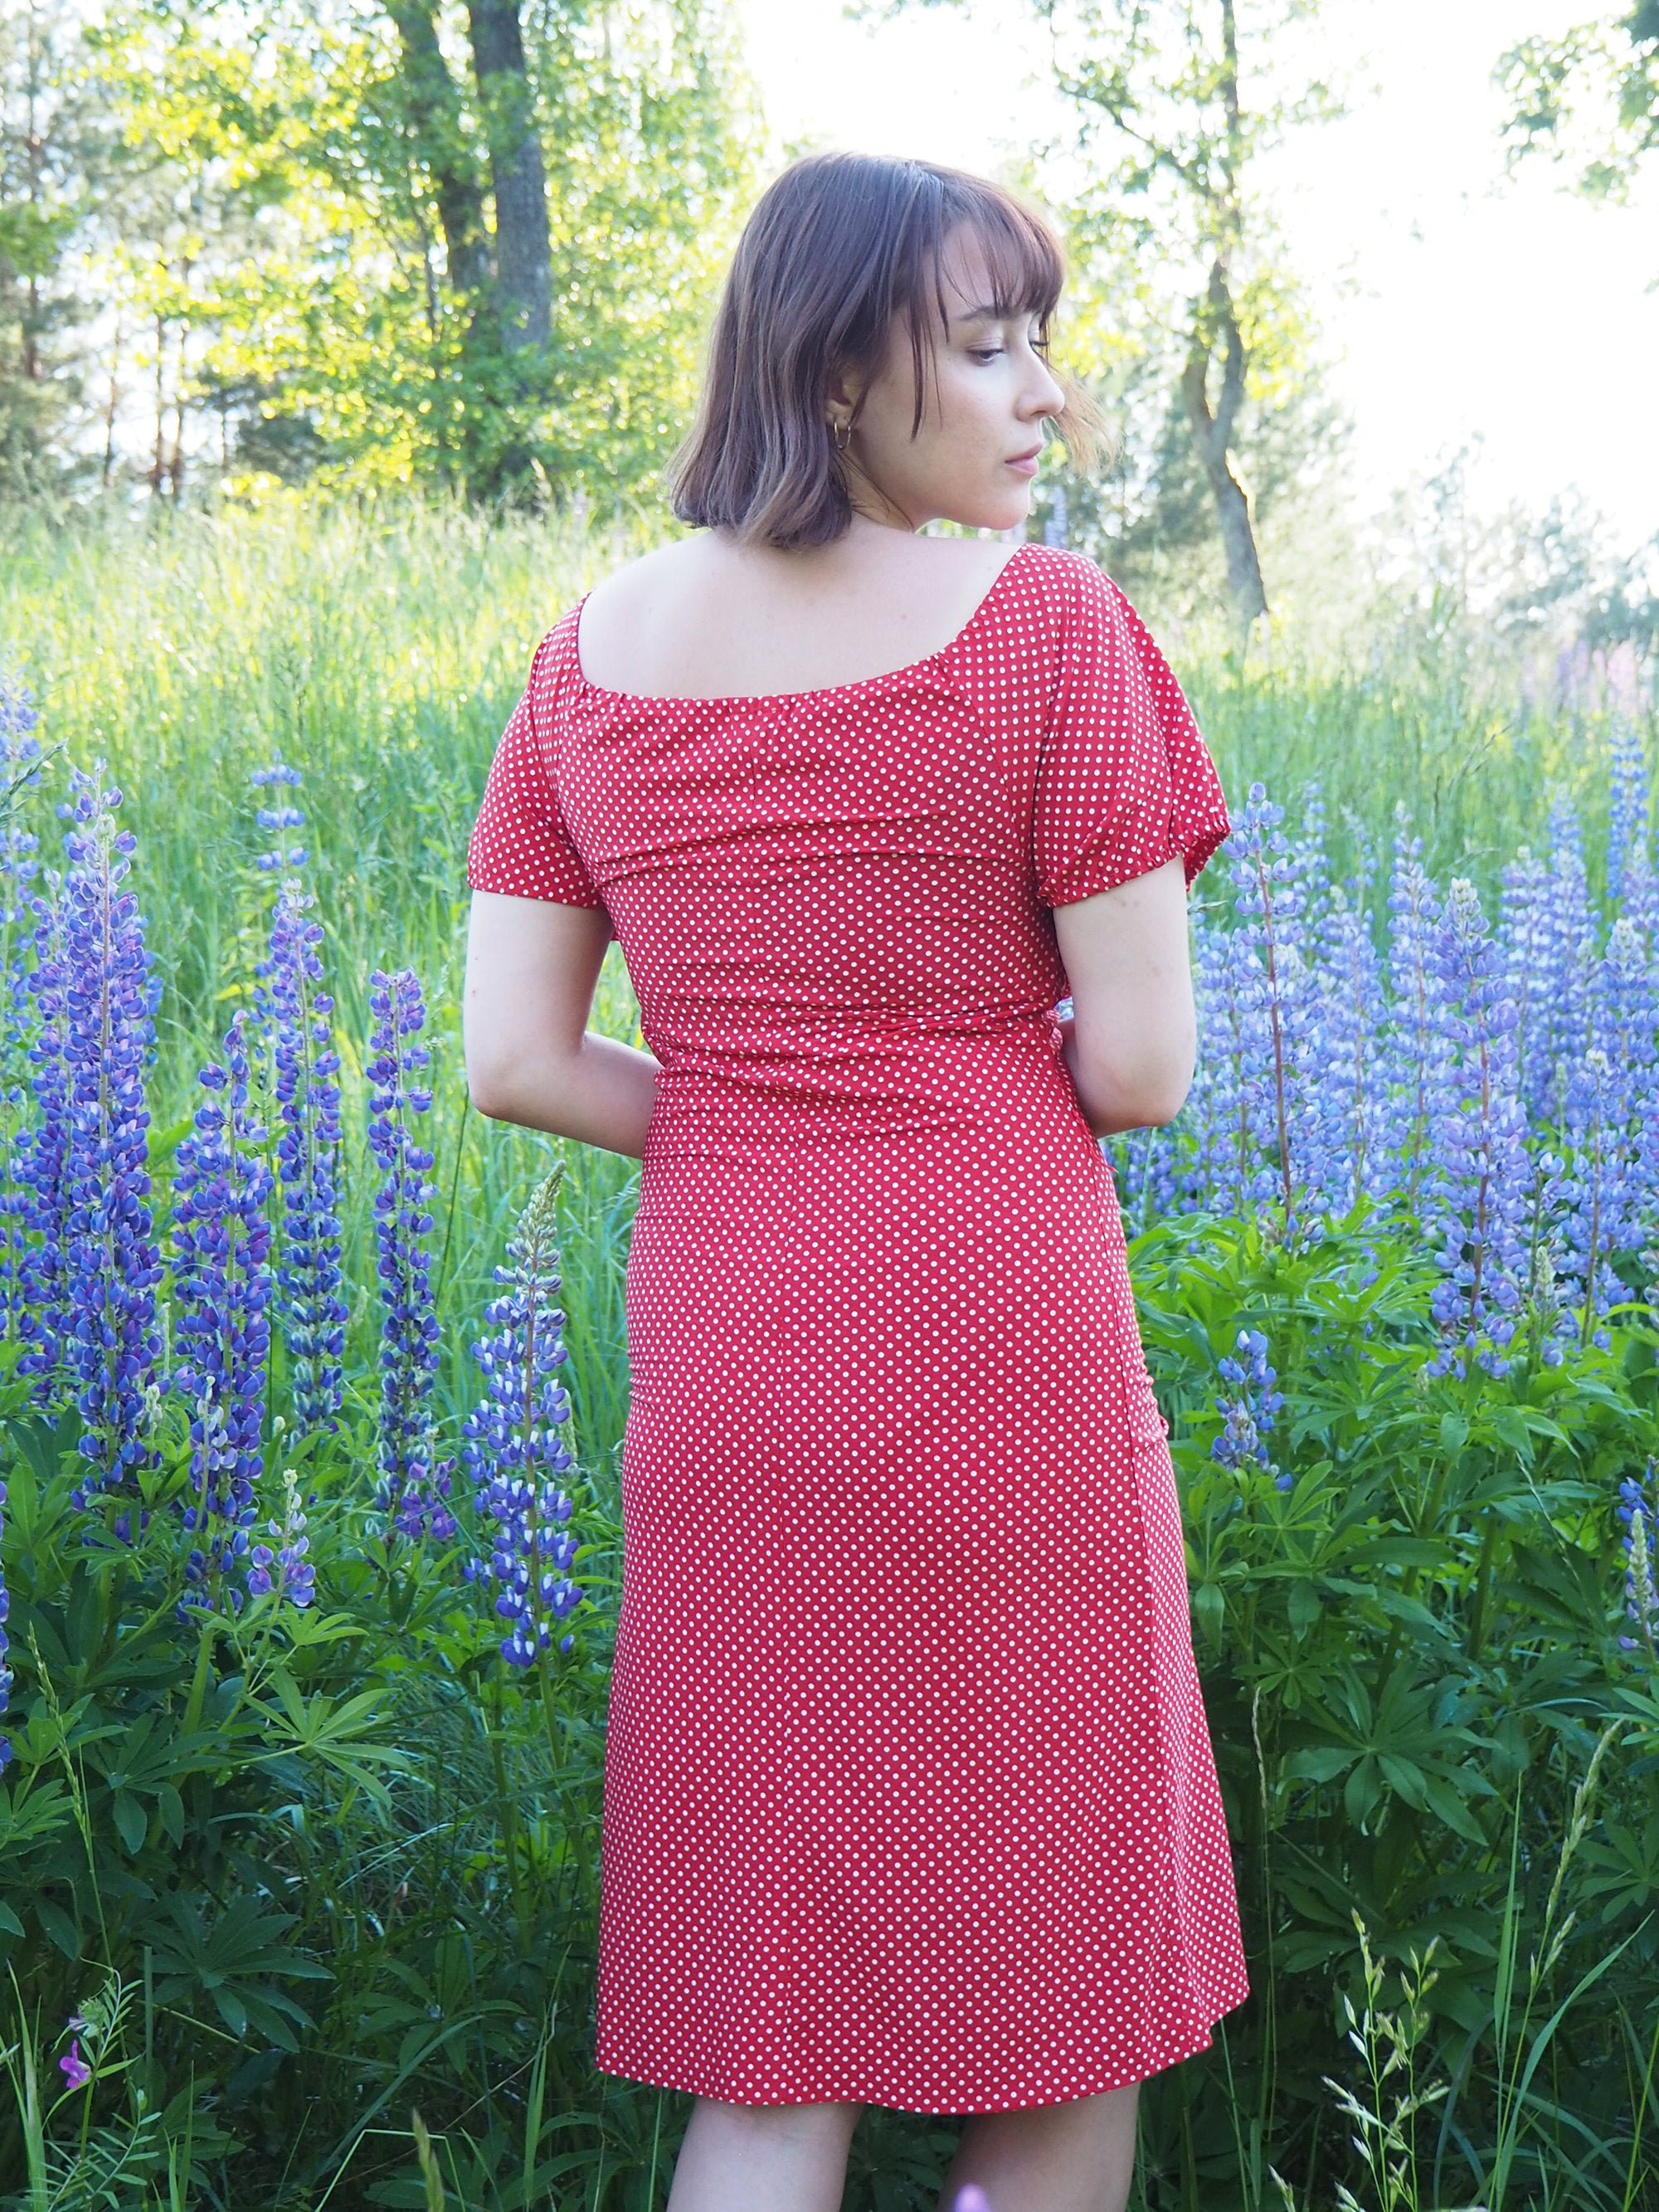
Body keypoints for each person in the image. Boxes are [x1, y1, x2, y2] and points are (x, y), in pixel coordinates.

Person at [463, 150, 1250, 2212]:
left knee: (769, 2014)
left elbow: (517, 1058)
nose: (1040, 394)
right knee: (1063, 1981)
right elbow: (1146, 1068)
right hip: (998, 1345)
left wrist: (749, 1113)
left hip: (731, 1353)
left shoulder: (585, 657)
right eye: (986, 348)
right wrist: (926, 1101)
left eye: (1036, 345)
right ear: (830, 370)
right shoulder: (1047, 630)